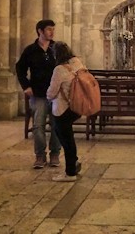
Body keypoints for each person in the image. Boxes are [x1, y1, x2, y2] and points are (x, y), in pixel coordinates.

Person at [16, 19, 61, 169]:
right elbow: (20, 68)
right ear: (40, 31)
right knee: (38, 125)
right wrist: (26, 86)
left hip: (55, 94)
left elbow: (66, 66)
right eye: (49, 29)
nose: (52, 32)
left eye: (53, 29)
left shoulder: (56, 48)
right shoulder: (31, 50)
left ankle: (55, 154)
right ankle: (40, 156)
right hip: (39, 93)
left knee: (56, 125)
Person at [46, 41, 84, 182]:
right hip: (76, 106)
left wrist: (48, 96)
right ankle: (74, 163)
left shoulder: (59, 69)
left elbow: (52, 91)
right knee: (68, 137)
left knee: (66, 140)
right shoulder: (77, 63)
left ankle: (70, 173)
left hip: (62, 109)